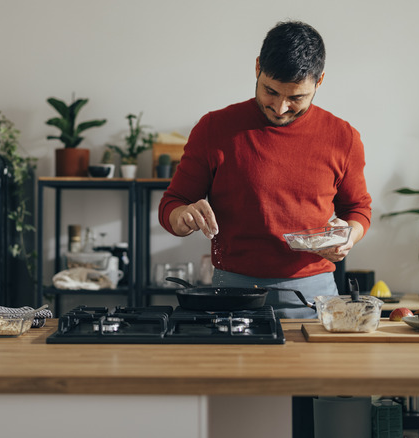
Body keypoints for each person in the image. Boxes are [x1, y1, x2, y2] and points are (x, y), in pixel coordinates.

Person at [158, 20, 372, 319]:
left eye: (296, 98)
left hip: (314, 293)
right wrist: (183, 216)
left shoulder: (343, 137)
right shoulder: (214, 128)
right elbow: (173, 204)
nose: (280, 107)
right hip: (232, 291)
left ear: (319, 81)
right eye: (270, 91)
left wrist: (350, 235)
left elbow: (358, 208)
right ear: (258, 67)